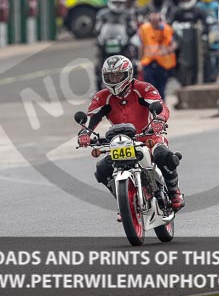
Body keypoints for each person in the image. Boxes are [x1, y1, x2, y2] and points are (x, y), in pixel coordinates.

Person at [78, 55, 185, 211]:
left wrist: (159, 120)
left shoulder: (143, 88)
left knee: (164, 155)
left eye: (117, 75)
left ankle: (175, 193)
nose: (114, 80)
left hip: (149, 138)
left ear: (128, 74)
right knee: (102, 170)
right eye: (110, 76)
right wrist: (84, 134)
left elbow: (161, 105)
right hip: (120, 142)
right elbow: (90, 118)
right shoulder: (101, 97)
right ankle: (125, 204)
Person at [94, 0, 134, 88]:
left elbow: (133, 28)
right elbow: (97, 28)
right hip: (106, 42)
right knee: (99, 63)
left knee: (132, 61)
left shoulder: (127, 14)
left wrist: (129, 36)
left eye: (119, 2)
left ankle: (130, 84)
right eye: (115, 2)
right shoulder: (102, 14)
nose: (117, 5)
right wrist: (99, 38)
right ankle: (98, 88)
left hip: (122, 43)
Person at [137, 11, 177, 99]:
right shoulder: (144, 29)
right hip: (148, 62)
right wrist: (139, 61)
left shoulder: (167, 29)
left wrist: (167, 51)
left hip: (162, 63)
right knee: (150, 88)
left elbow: (174, 44)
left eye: (158, 20)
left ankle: (162, 109)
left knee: (161, 89)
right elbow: (142, 45)